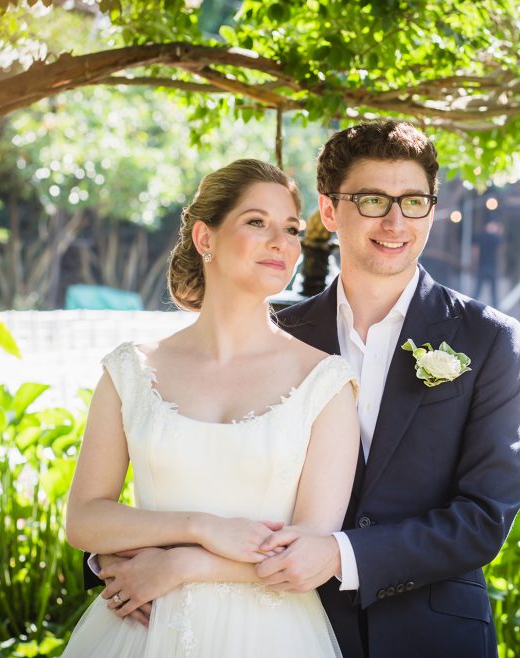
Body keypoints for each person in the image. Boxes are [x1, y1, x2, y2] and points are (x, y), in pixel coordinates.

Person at [94, 121, 520, 658]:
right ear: (329, 212)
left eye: (414, 201)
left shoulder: (487, 339)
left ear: (432, 211)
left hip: (432, 633)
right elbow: (194, 461)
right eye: (372, 200)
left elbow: (484, 517)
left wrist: (342, 555)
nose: (396, 221)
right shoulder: (281, 336)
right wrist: (114, 557)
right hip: (287, 624)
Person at [62, 158, 359, 657]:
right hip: (138, 630)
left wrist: (184, 564)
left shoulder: (324, 382)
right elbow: (84, 520)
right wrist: (199, 527)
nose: (280, 242)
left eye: (289, 229)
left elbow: (309, 551)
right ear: (205, 239)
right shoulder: (130, 371)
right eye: (256, 222)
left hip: (271, 635)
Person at [473, 218, 504, 306]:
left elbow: (476, 251)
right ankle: (496, 310)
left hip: (483, 266)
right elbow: (500, 252)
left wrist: (475, 263)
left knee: (478, 291)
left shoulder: (481, 236)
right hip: (491, 266)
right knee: (493, 292)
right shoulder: (497, 238)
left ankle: (471, 307)